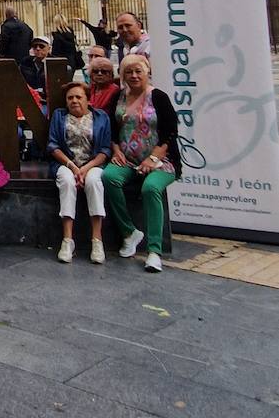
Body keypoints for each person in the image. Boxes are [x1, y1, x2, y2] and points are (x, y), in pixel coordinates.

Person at [102, 54, 180, 273]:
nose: (134, 76)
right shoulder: (118, 96)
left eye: (138, 71)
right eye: (129, 72)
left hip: (161, 160)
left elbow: (170, 131)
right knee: (108, 178)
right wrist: (116, 149)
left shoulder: (159, 97)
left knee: (151, 187)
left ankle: (154, 251)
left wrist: (153, 158)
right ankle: (129, 232)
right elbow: (112, 128)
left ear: (147, 72)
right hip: (127, 159)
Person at [48, 80, 111, 264]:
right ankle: (68, 240)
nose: (74, 101)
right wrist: (72, 167)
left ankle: (97, 240)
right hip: (66, 164)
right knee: (67, 182)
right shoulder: (59, 116)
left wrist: (85, 168)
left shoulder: (101, 117)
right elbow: (52, 145)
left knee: (94, 182)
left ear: (87, 99)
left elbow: (105, 150)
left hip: (92, 165)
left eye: (78, 97)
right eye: (70, 98)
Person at [20, 36, 51, 102]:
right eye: (35, 46)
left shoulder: (55, 62)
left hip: (48, 100)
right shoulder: (25, 62)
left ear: (49, 48)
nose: (38, 48)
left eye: (41, 46)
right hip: (29, 98)